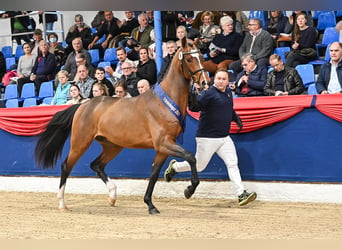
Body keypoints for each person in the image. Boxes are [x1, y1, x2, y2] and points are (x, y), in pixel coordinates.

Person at [163, 69, 257, 207]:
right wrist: (192, 95)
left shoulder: (228, 92)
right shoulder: (209, 93)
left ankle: (241, 193)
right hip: (207, 138)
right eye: (218, 78)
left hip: (224, 138)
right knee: (199, 167)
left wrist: (235, 118)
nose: (220, 81)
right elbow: (195, 107)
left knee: (232, 164)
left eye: (223, 79)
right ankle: (175, 167)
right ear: (215, 79)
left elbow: (228, 108)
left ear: (227, 80)